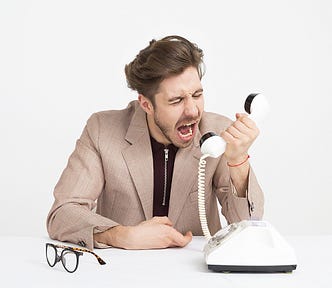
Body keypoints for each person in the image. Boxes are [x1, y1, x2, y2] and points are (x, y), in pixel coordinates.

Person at [47, 35, 264, 250]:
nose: (193, 111)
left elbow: (247, 225)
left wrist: (238, 161)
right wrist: (122, 236)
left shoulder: (217, 132)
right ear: (146, 104)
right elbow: (62, 213)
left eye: (197, 95)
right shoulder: (102, 130)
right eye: (176, 100)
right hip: (120, 273)